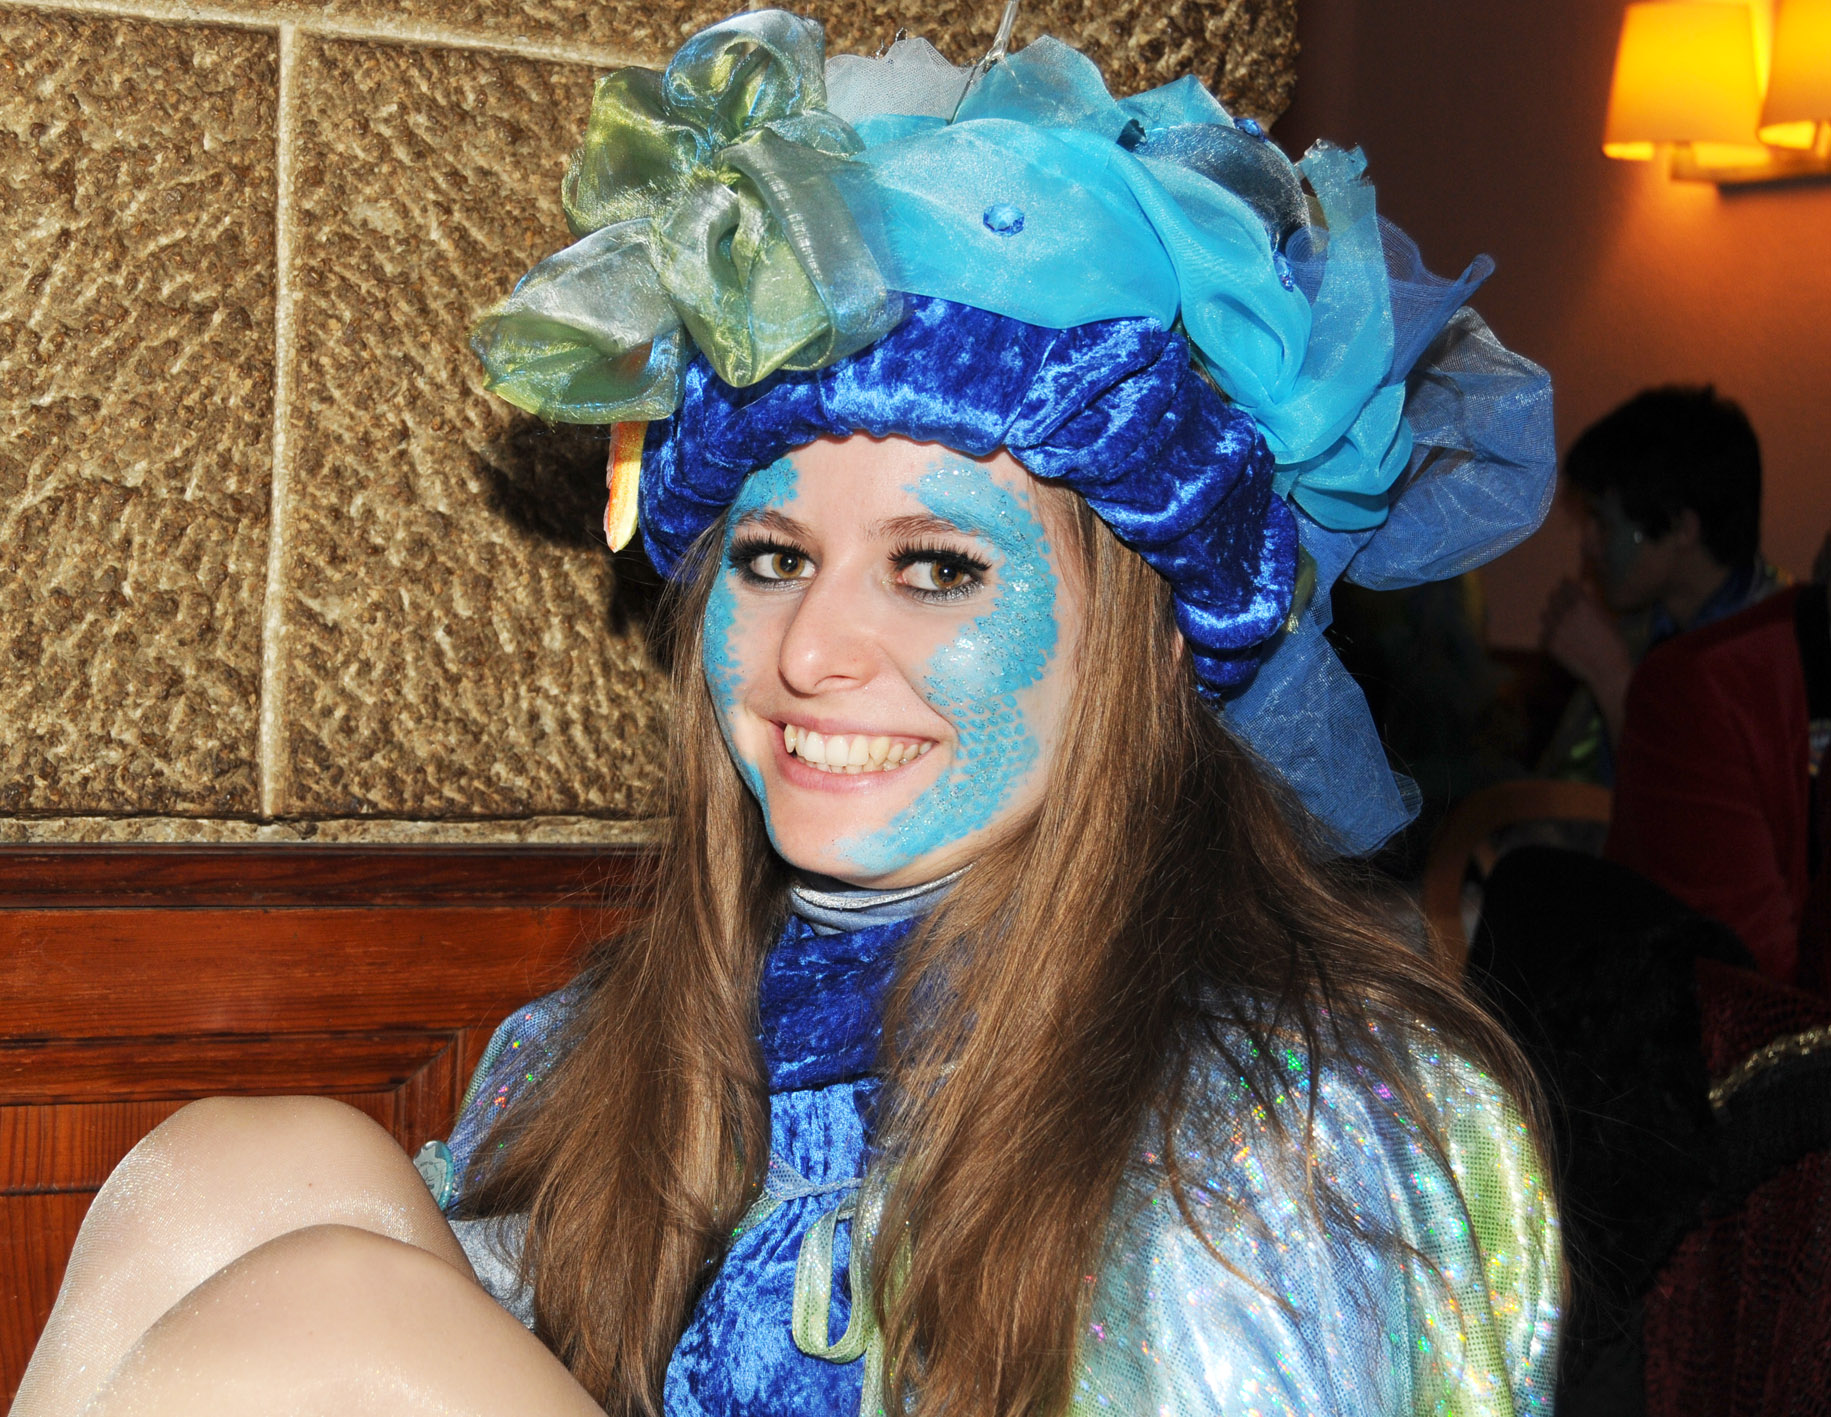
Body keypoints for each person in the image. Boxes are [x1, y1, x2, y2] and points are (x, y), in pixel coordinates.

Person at [12, 13, 1563, 1416]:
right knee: (248, 1163)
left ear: (1156, 641)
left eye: (936, 567)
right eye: (771, 558)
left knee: (332, 1311)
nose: (812, 649)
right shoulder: (616, 1044)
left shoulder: (1288, 1124)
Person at [1539, 386, 1777, 783]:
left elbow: (1691, 808)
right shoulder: (1641, 630)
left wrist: (1612, 679)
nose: (1588, 544)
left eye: (1604, 523)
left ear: (1682, 528)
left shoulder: (1780, 652)